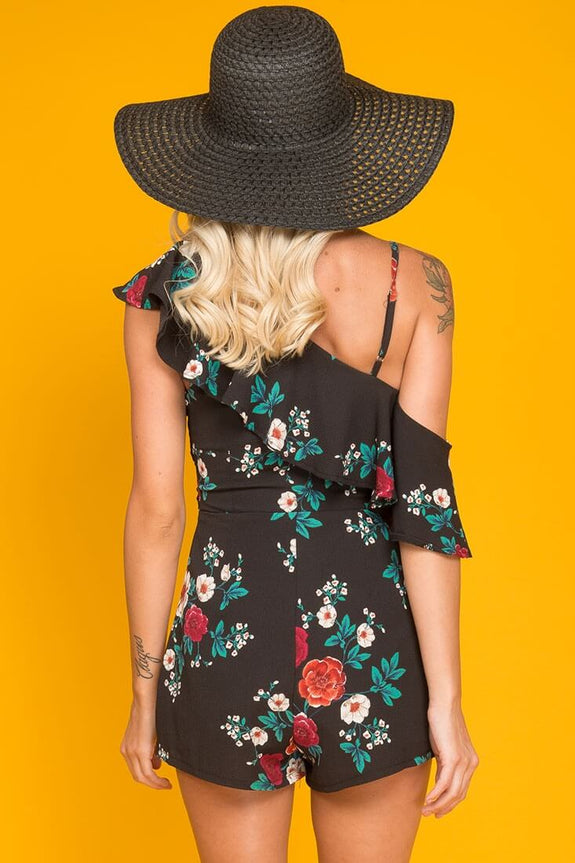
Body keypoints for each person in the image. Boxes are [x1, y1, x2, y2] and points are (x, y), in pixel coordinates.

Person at [111, 6, 479, 862]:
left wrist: (143, 690)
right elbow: (424, 508)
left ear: (214, 149)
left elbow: (158, 511)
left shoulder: (164, 296)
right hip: (367, 646)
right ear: (342, 145)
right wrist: (446, 700)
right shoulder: (415, 284)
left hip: (224, 641)